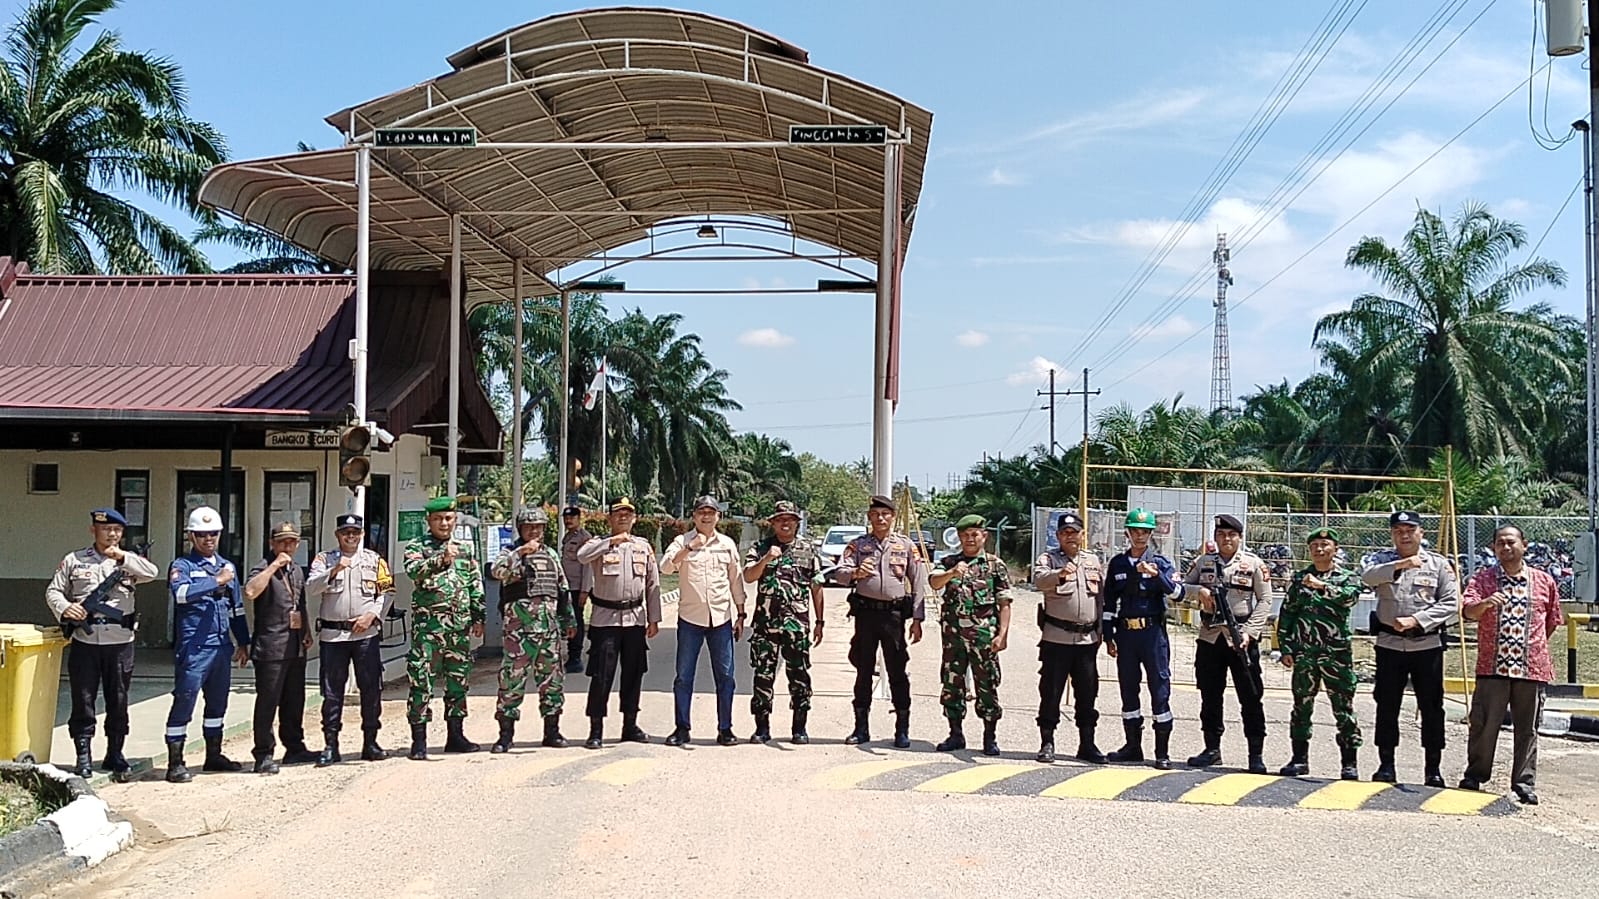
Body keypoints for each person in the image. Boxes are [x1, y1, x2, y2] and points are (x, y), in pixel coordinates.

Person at [44, 508, 159, 781]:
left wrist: (123, 557)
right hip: (85, 642)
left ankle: (115, 754)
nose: (112, 534)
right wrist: (66, 608)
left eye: (117, 530)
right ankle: (82, 756)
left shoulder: (129, 562)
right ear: (93, 530)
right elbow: (53, 590)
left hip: (120, 643)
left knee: (118, 699)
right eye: (106, 529)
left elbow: (152, 572)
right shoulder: (74, 560)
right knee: (83, 700)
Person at [1460, 524, 1562, 805]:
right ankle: (1475, 775)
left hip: (1532, 668)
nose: (1506, 547)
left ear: (1524, 545)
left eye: (1511, 542)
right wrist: (1485, 604)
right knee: (1483, 723)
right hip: (1492, 667)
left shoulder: (1544, 581)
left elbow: (1552, 621)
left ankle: (1524, 783)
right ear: (1494, 548)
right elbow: (1467, 612)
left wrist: (1532, 646)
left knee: (1527, 728)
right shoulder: (1482, 579)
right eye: (1500, 543)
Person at [1361, 510, 1459, 786]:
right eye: (1398, 531)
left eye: (1410, 530)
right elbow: (1367, 578)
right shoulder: (1381, 561)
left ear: (1421, 533)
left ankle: (1433, 769)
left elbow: (1451, 603)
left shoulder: (1439, 565)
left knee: (1431, 706)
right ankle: (1386, 765)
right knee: (1386, 704)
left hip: (1425, 645)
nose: (1404, 535)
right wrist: (1400, 565)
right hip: (1389, 645)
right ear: (1392, 534)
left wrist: (1418, 620)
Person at [163, 506, 251, 784]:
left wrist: (244, 641)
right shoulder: (182, 566)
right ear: (191, 536)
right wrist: (216, 582)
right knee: (185, 699)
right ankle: (175, 762)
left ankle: (214, 755)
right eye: (201, 534)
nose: (208, 539)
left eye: (212, 534)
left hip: (221, 646)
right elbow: (180, 594)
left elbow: (236, 608)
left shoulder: (227, 566)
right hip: (194, 647)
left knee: (218, 702)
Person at [830, 494, 926, 749]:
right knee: (863, 670)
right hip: (866, 615)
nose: (880, 518)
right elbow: (839, 573)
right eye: (875, 515)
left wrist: (918, 618)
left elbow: (918, 581)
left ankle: (902, 729)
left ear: (892, 517)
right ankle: (861, 728)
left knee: (897, 670)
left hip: (893, 616)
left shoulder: (905, 546)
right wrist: (855, 573)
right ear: (869, 518)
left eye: (885, 514)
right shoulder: (858, 545)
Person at [1180, 514, 1271, 773]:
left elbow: (1265, 601)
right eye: (1221, 535)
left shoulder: (1253, 564)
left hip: (1241, 637)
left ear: (1239, 537)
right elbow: (1181, 587)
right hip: (1210, 637)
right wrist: (1200, 592)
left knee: (1251, 696)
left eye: (1231, 535)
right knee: (1210, 695)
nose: (1226, 539)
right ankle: (1212, 749)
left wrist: (1250, 632)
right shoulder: (1204, 562)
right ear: (1215, 538)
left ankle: (1255, 754)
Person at [1275, 526, 1364, 780]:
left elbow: (1349, 598)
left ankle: (1349, 762)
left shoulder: (1347, 578)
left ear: (1335, 550)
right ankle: (1299, 759)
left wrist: (1322, 586)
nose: (1319, 549)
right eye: (1314, 546)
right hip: (1305, 654)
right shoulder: (1300, 578)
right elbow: (1288, 613)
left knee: (1343, 707)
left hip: (1336, 654)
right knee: (1301, 706)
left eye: (1325, 545)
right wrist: (1286, 646)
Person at [402, 495, 486, 760]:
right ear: (429, 521)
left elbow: (474, 582)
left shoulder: (465, 548)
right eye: (438, 519)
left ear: (455, 520)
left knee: (458, 682)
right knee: (421, 681)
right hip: (429, 629)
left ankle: (456, 735)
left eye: (448, 518)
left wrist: (478, 615)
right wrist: (441, 558)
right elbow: (414, 571)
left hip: (458, 629)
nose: (444, 523)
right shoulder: (416, 546)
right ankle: (419, 741)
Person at [307, 514, 395, 766]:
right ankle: (330, 745)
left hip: (365, 634)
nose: (351, 536)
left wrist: (372, 615)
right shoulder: (324, 559)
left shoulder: (374, 560)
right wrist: (334, 571)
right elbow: (312, 587)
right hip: (333, 636)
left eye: (355, 532)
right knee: (332, 692)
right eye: (346, 532)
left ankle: (370, 742)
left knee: (370, 689)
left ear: (362, 535)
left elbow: (387, 591)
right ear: (338, 535)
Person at [660, 496, 746, 747]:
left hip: (721, 619)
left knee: (726, 677)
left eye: (711, 512)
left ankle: (725, 728)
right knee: (684, 677)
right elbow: (665, 568)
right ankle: (682, 728)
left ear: (718, 516)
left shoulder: (727, 544)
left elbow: (735, 580)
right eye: (701, 513)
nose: (706, 517)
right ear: (694, 516)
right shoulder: (682, 542)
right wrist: (689, 549)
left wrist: (741, 613)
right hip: (690, 619)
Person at [576, 497, 662, 749]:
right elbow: (582, 557)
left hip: (635, 619)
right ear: (609, 518)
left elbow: (652, 584)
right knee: (602, 675)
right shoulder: (597, 543)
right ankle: (596, 728)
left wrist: (654, 618)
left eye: (628, 514)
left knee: (634, 674)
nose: (623, 518)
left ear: (634, 518)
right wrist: (611, 542)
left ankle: (630, 724)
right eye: (618, 514)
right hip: (606, 621)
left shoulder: (643, 547)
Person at [489, 507, 576, 752]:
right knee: (511, 684)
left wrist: (569, 621)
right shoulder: (510, 552)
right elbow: (496, 571)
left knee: (552, 683)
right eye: (529, 527)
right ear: (520, 529)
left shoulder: (550, 555)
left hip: (548, 632)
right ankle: (505, 736)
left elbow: (562, 589)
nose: (534, 531)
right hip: (518, 634)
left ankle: (552, 731)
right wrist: (520, 553)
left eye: (538, 527)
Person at [1100, 508, 1179, 769]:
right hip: (1127, 634)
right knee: (1128, 688)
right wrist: (1108, 636)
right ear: (1128, 533)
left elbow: (1177, 593)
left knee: (1159, 688)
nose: (1140, 536)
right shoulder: (1118, 564)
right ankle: (1132, 746)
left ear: (1150, 533)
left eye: (1144, 531)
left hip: (1152, 634)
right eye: (1135, 531)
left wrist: (1157, 575)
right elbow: (1109, 602)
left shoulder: (1161, 562)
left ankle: (1162, 752)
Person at [928, 514, 1013, 756]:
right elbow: (934, 582)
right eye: (965, 535)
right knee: (951, 684)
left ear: (984, 536)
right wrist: (952, 573)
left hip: (983, 637)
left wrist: (1002, 634)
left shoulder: (995, 565)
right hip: (953, 638)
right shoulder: (949, 561)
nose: (970, 539)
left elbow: (1005, 602)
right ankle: (955, 734)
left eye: (974, 534)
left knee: (986, 685)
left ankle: (989, 736)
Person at [742, 500, 824, 745]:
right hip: (766, 625)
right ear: (773, 523)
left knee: (799, 675)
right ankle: (762, 727)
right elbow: (748, 576)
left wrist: (820, 621)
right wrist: (766, 559)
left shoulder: (808, 550)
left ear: (797, 523)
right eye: (780, 519)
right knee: (763, 676)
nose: (785, 523)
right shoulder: (761, 547)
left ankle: (799, 727)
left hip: (797, 625)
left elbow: (816, 587)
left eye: (790, 519)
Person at [1029, 512, 1106, 765]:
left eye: (1075, 532)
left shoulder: (1093, 561)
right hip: (1057, 638)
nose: (1070, 536)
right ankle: (1047, 741)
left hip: (1086, 640)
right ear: (1058, 535)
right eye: (1065, 532)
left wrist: (1102, 633)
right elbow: (1039, 581)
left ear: (1083, 535)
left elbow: (1101, 599)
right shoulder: (1048, 559)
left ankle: (1087, 743)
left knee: (1088, 692)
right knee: (1051, 692)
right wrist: (1060, 574)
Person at [241, 521, 316, 774]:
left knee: (294, 700)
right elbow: (250, 591)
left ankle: (294, 747)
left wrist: (306, 630)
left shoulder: (296, 570)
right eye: (282, 541)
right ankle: (263, 753)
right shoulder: (263, 567)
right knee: (268, 702)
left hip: (295, 645)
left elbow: (301, 603)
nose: (288, 546)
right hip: (271, 647)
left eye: (292, 541)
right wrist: (273, 566)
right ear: (272, 543)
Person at [559, 505, 594, 674]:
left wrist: (585, 590)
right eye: (566, 518)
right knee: (569, 620)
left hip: (577, 587)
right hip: (567, 586)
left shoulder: (584, 538)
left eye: (572, 517)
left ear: (579, 519)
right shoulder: (567, 537)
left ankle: (575, 657)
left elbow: (587, 566)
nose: (568, 520)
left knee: (576, 621)